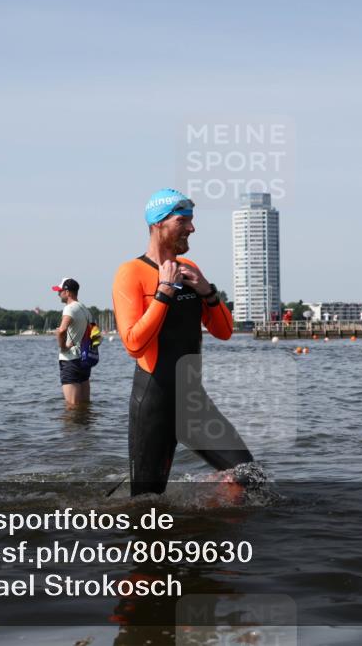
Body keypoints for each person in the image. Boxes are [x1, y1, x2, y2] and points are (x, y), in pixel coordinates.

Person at [112, 188, 254, 496]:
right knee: (146, 503)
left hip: (192, 402)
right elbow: (133, 344)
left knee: (247, 476)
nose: (192, 228)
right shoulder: (130, 273)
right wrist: (164, 291)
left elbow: (223, 331)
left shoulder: (193, 270)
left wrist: (207, 292)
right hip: (154, 400)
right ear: (158, 224)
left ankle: (211, 533)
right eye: (183, 220)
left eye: (192, 220)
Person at [52, 278, 92, 408]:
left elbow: (62, 330)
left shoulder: (69, 308)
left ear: (67, 292)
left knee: (72, 407)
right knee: (85, 405)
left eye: (60, 291)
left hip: (70, 360)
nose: (58, 294)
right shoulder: (85, 310)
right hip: (85, 360)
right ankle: (86, 428)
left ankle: (72, 428)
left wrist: (63, 347)